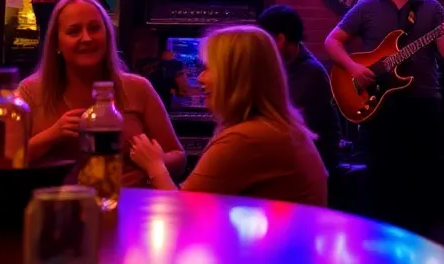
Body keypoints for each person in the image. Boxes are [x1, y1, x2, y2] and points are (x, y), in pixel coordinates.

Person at [324, 0, 444, 235]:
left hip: (423, 104)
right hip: (379, 107)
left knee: (422, 180)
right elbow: (332, 42)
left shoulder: (432, 9)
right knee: (380, 179)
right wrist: (353, 68)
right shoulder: (367, 7)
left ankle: (419, 241)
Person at [130, 25, 328, 206]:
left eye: (208, 68)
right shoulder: (276, 129)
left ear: (235, 76)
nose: (200, 78)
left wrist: (154, 165)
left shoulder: (246, 138)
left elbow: (182, 211)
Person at [18, 0, 186, 186]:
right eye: (74, 31)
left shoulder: (138, 88)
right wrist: (52, 135)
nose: (87, 38)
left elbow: (178, 156)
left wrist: (149, 169)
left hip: (127, 201)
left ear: (107, 35)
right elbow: (4, 161)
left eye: (94, 28)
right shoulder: (29, 91)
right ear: (57, 43)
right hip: (57, 203)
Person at [258, 4, 342, 172]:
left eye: (265, 40)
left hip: (311, 164)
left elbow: (290, 126)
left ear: (280, 40)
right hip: (293, 155)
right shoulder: (281, 64)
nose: (261, 47)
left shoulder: (311, 73)